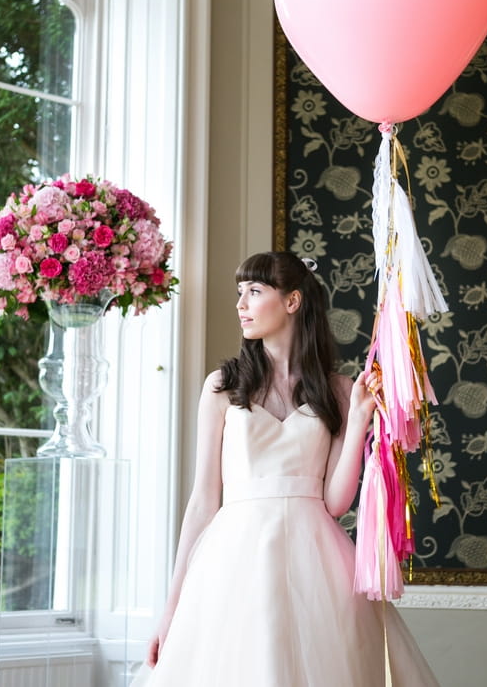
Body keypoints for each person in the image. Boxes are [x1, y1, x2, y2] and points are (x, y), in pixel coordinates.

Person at [137, 251, 440, 686]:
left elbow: (334, 502)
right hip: (234, 559)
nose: (241, 304)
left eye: (254, 292)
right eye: (239, 293)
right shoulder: (222, 386)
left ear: (293, 301)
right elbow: (204, 500)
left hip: (316, 560)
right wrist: (172, 609)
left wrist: (357, 420)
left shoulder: (336, 390)